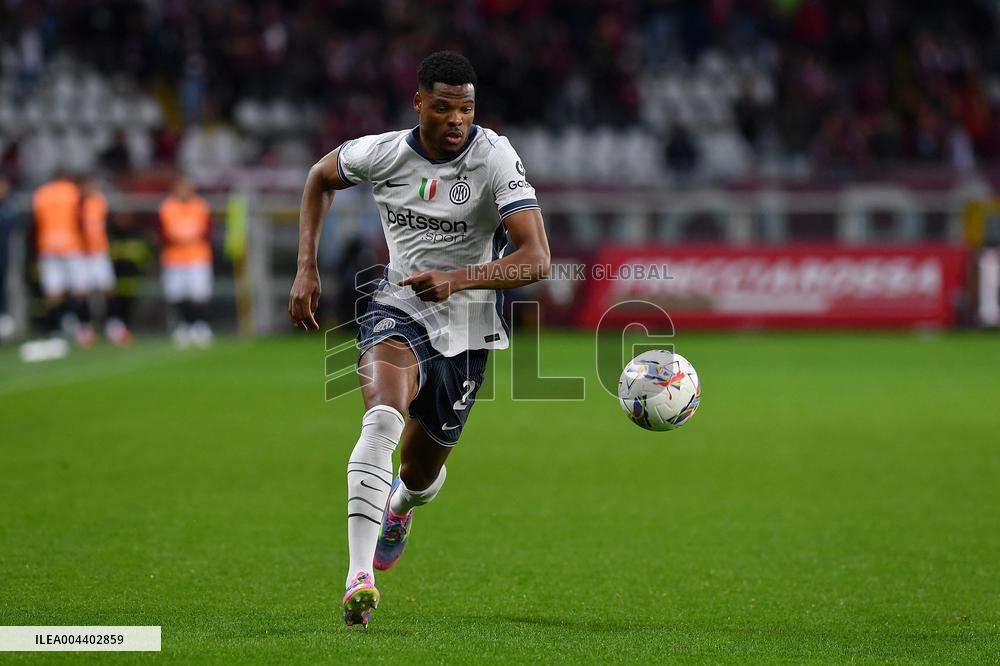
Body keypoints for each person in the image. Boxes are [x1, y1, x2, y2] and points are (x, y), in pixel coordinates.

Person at [288, 51, 550, 628]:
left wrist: (458, 279)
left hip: (470, 326)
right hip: (397, 308)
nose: (457, 118)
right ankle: (359, 578)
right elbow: (318, 178)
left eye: (467, 107)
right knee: (381, 418)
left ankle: (400, 508)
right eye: (444, 106)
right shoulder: (383, 153)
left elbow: (537, 258)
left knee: (420, 472)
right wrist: (307, 266)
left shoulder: (494, 156)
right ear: (419, 104)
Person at [32, 171, 94, 346]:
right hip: (71, 244)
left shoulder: (41, 193)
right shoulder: (73, 191)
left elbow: (36, 223)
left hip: (48, 245)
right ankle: (84, 329)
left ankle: (54, 331)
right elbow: (80, 219)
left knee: (53, 292)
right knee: (80, 289)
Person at [158, 177, 213, 348]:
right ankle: (183, 326)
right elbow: (161, 232)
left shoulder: (201, 206)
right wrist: (177, 239)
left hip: (197, 256)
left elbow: (208, 231)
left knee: (198, 294)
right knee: (177, 294)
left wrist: (191, 238)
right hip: (174, 258)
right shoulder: (167, 207)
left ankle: (200, 325)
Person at [80, 176, 130, 346]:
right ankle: (85, 328)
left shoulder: (100, 201)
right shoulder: (76, 205)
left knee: (108, 289)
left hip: (99, 252)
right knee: (83, 292)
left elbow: (107, 224)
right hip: (81, 254)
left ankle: (114, 325)